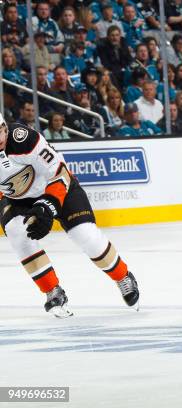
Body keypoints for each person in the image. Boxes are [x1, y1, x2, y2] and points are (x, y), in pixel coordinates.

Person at [0, 114, 140, 317]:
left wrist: (48, 206)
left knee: (85, 235)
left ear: (5, 127)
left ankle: (123, 276)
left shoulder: (24, 139)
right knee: (15, 231)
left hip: (55, 186)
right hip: (17, 198)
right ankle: (52, 291)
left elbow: (60, 173)